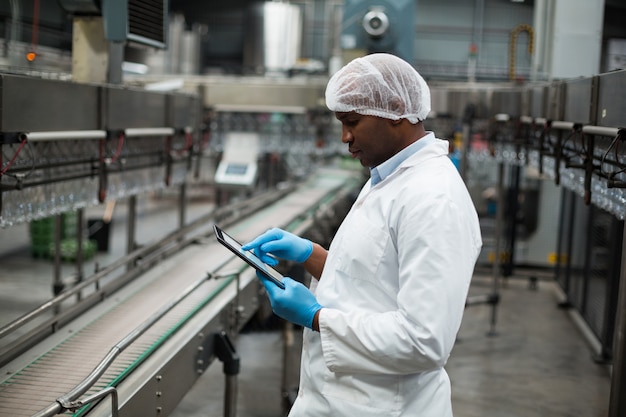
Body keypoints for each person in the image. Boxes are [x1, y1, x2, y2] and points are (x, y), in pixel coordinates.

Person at [242, 53, 482, 417]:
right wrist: (309, 253)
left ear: (397, 110)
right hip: (343, 398)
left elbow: (425, 340)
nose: (344, 137)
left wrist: (317, 317)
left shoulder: (434, 200)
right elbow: (372, 282)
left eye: (352, 121)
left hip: (384, 406)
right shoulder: (388, 177)